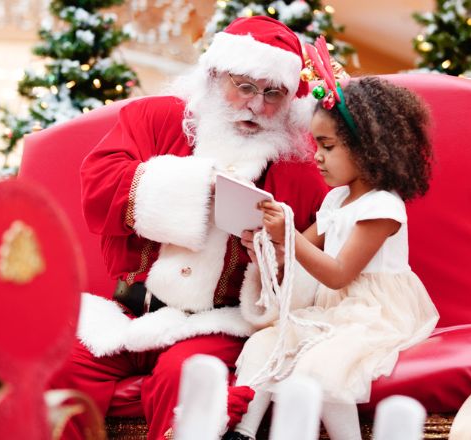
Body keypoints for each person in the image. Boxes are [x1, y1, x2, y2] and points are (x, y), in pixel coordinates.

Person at [49, 16, 329, 440]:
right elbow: (99, 187)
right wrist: (195, 186)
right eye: (245, 86)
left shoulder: (301, 168)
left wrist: (274, 258)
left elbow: (319, 270)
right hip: (128, 314)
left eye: (273, 93)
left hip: (217, 323)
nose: (257, 105)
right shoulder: (155, 118)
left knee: (188, 377)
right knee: (58, 365)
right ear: (215, 76)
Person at [225, 75, 440, 440]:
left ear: (368, 149)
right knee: (265, 343)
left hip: (376, 312)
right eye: (316, 145)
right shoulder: (336, 200)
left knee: (322, 366)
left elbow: (339, 274)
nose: (317, 157)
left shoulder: (383, 207)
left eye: (328, 146)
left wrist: (288, 235)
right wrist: (265, 245)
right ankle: (240, 433)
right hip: (334, 310)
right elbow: (294, 255)